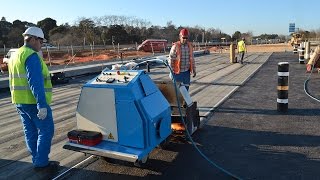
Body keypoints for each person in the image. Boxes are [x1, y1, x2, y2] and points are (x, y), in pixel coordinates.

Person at [7, 27, 58, 170]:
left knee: (30, 132)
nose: (41, 45)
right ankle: (42, 162)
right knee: (47, 130)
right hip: (34, 102)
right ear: (34, 39)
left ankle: (37, 159)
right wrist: (41, 104)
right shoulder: (31, 55)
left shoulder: (16, 55)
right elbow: (34, 81)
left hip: (19, 102)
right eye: (41, 41)